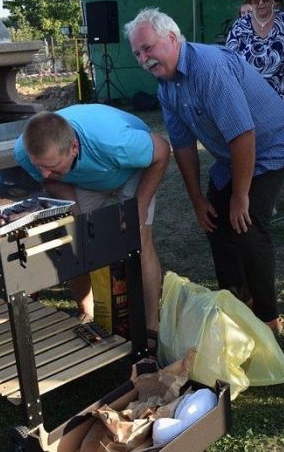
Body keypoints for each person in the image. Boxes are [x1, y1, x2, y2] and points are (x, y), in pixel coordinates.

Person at [125, 8, 284, 334]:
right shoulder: (166, 86)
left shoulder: (209, 68)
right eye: (137, 54)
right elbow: (183, 147)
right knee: (215, 223)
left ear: (172, 38)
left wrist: (240, 196)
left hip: (270, 146)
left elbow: (243, 135)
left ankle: (268, 318)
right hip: (233, 155)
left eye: (148, 48)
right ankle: (237, 305)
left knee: (247, 225)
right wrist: (197, 200)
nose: (143, 59)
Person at [14, 104, 170, 344]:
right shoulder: (25, 152)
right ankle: (88, 314)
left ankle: (151, 325)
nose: (43, 173)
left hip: (130, 169)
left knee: (139, 240)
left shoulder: (115, 141)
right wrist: (75, 212)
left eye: (51, 166)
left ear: (74, 148)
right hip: (85, 179)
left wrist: (139, 206)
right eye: (39, 166)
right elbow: (51, 182)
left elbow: (162, 151)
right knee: (74, 238)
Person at [226, 0, 284, 104]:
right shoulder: (239, 27)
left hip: (283, 102)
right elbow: (229, 65)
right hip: (250, 103)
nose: (261, 3)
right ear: (249, 0)